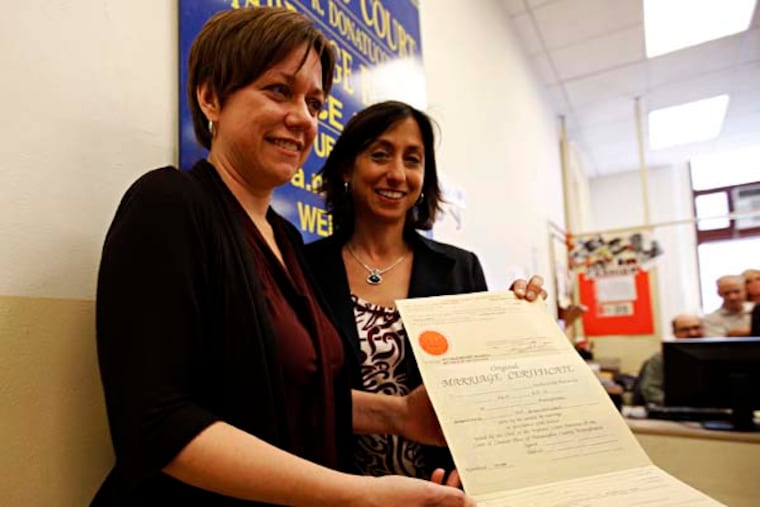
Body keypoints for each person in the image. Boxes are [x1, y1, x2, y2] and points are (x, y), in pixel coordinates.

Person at [93, 8, 475, 506]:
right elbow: (158, 423)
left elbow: (295, 394)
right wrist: (360, 495)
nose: (302, 118)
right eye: (279, 90)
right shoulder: (169, 204)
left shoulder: (286, 240)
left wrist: (398, 415)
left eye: (314, 103)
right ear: (211, 97)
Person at [305, 100, 546, 480]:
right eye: (380, 155)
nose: (397, 174)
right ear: (348, 166)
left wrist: (519, 323)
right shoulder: (305, 269)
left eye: (413, 159)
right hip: (335, 489)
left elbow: (486, 388)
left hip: (439, 489)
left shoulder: (459, 268)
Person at [635, 314, 704, 406]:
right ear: (675, 333)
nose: (692, 333)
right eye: (685, 330)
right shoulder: (660, 359)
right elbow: (650, 390)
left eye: (696, 328)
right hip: (676, 411)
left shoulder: (717, 354)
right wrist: (678, 404)